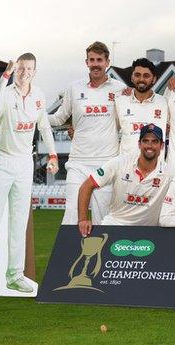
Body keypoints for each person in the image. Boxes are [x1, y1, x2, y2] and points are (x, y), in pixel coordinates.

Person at [0, 54, 59, 292]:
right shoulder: (6, 92)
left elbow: (44, 127)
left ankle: (15, 275)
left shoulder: (39, 96)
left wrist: (53, 155)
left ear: (34, 70)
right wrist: (4, 77)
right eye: (21, 69)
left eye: (29, 69)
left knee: (19, 221)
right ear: (16, 70)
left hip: (24, 162)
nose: (25, 73)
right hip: (2, 160)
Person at [48, 41, 126, 225]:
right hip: (78, 162)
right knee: (71, 215)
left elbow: (128, 123)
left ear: (107, 62)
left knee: (103, 218)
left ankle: (103, 255)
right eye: (92, 60)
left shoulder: (120, 90)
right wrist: (33, 117)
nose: (95, 64)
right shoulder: (74, 88)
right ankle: (70, 254)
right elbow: (59, 118)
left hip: (106, 163)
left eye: (99, 60)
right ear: (86, 62)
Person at [77, 124, 172, 236]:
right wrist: (83, 219)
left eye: (154, 141)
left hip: (149, 231)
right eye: (145, 141)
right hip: (115, 225)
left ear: (161, 145)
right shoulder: (120, 163)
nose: (149, 145)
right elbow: (87, 186)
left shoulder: (169, 172)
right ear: (139, 144)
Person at [115, 58, 168, 159]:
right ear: (132, 77)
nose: (141, 79)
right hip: (126, 169)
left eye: (146, 76)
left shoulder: (164, 103)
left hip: (155, 170)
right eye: (137, 75)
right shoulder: (120, 101)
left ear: (154, 79)